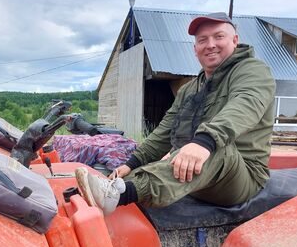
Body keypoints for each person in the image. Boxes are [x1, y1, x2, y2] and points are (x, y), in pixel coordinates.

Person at [76, 12, 276, 215]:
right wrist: (131, 164)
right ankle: (106, 190)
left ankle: (116, 195)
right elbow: (164, 132)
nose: (210, 44)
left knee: (217, 145)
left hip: (239, 176)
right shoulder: (190, 89)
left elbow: (245, 105)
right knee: (132, 173)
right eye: (202, 40)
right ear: (195, 49)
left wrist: (204, 142)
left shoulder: (253, 72)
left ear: (235, 40)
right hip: (199, 172)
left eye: (218, 36)